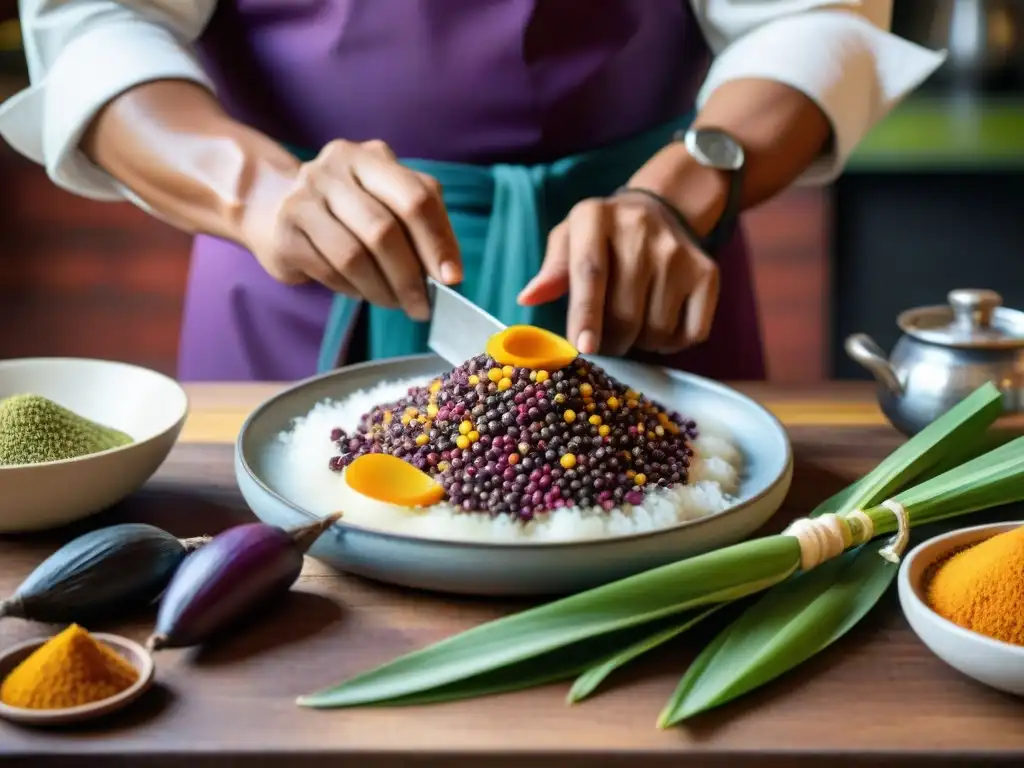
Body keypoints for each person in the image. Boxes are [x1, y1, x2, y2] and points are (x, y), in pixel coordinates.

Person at [0, 1, 942, 382]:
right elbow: (100, 23)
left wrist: (679, 192)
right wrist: (261, 194)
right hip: (293, 287)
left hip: (634, 283)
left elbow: (810, 17)